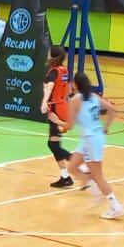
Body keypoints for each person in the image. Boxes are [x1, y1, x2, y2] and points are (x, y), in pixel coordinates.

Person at [63, 73, 122, 218]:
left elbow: (69, 126)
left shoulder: (75, 100)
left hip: (91, 139)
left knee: (98, 175)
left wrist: (55, 120)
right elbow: (112, 109)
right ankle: (93, 187)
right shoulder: (94, 97)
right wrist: (106, 127)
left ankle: (116, 206)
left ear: (76, 84)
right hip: (91, 138)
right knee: (72, 167)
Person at [42, 45, 75, 188]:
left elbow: (49, 87)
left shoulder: (54, 72)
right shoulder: (65, 70)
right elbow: (68, 90)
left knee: (53, 144)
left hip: (55, 108)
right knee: (54, 143)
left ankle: (81, 165)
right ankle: (65, 176)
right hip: (62, 105)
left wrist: (44, 102)